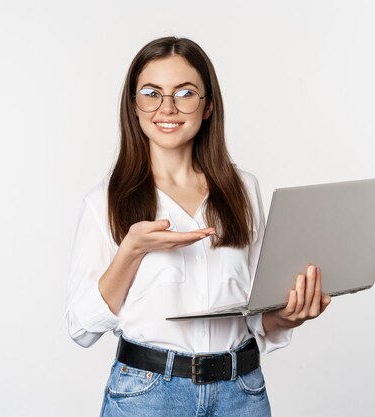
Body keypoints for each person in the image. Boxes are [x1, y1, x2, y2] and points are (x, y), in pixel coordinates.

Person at [66, 36, 331, 417]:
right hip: (148, 396)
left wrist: (289, 315)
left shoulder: (243, 188)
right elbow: (81, 327)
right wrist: (132, 250)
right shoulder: (104, 201)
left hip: (242, 391)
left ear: (207, 107)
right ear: (134, 106)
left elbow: (254, 312)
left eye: (185, 93)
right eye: (151, 93)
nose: (167, 107)